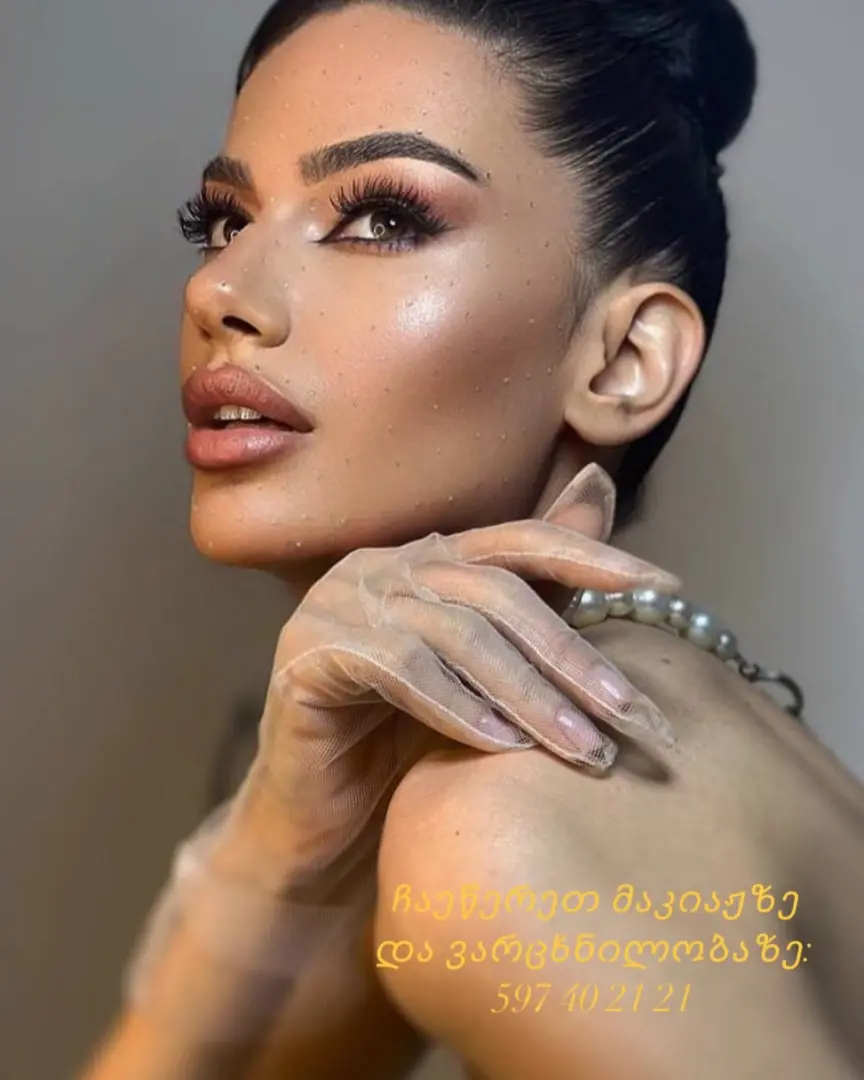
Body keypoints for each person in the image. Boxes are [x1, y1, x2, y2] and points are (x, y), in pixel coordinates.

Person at [80, 1, 864, 1078]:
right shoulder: (520, 755)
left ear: (625, 361)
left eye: (383, 217)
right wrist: (275, 845)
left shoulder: (505, 827)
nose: (217, 290)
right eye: (224, 222)